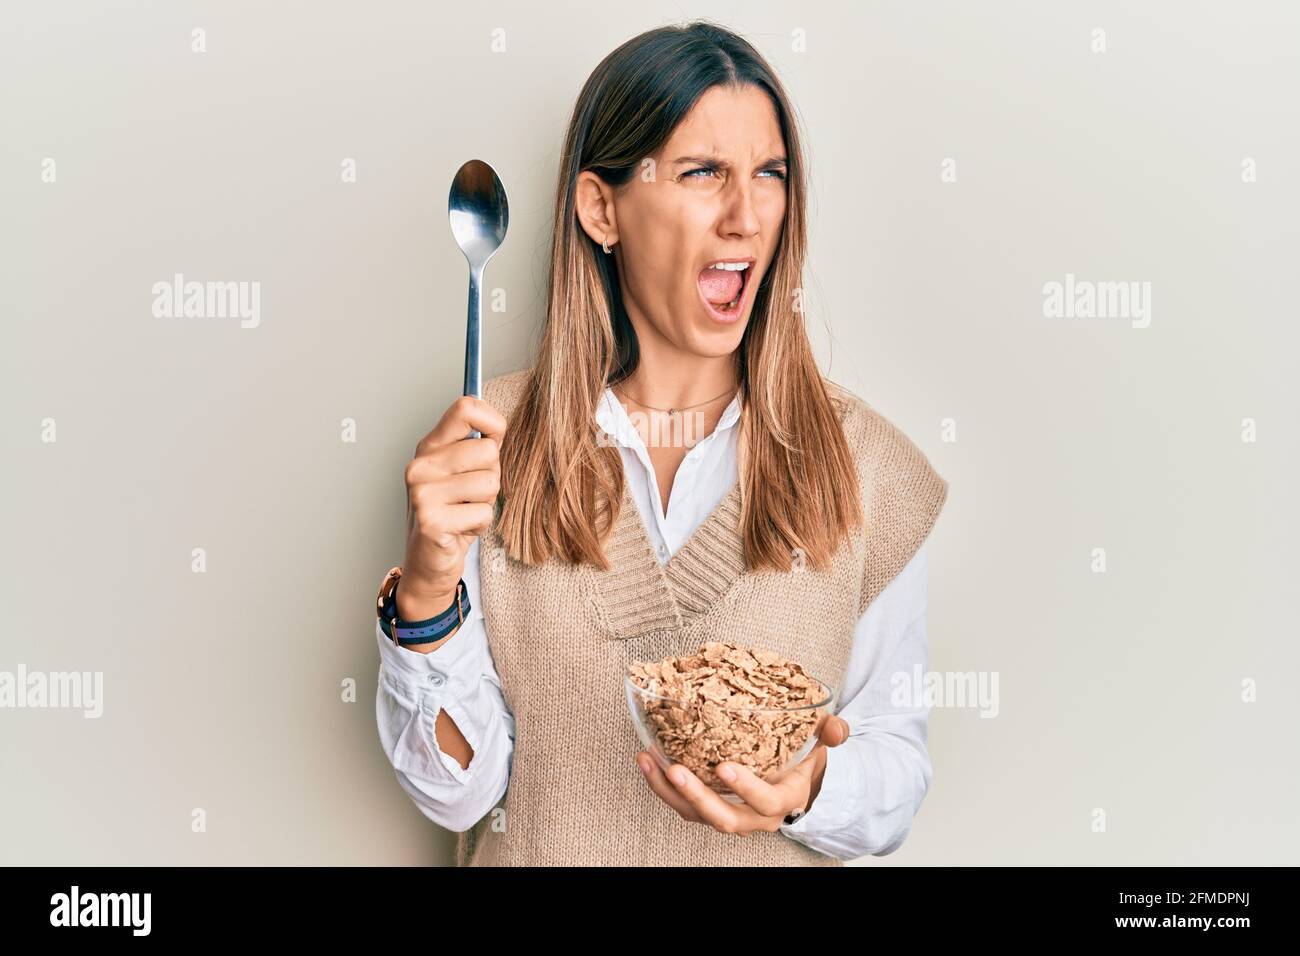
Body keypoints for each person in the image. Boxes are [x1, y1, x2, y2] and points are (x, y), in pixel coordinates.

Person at [373, 20, 948, 867]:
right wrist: (426, 588)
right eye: (704, 173)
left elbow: (894, 769)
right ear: (602, 208)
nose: (747, 216)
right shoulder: (490, 445)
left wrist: (809, 788)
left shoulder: (869, 471)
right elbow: (461, 791)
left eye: (770, 175)